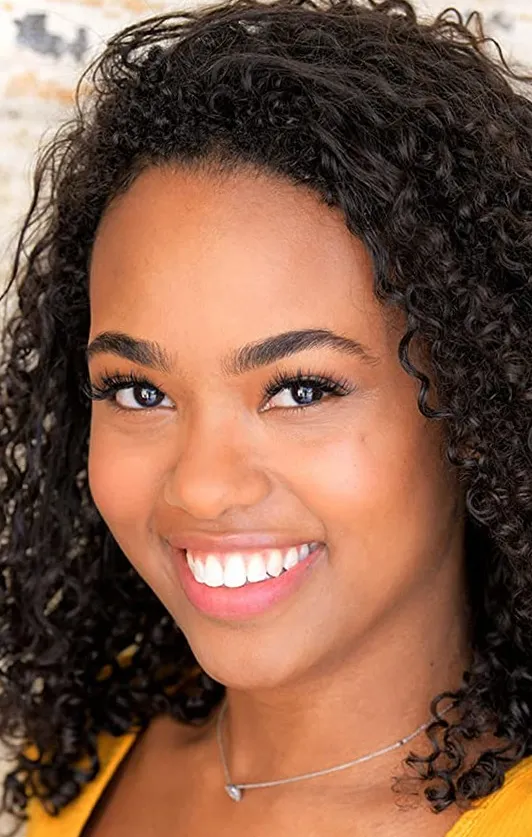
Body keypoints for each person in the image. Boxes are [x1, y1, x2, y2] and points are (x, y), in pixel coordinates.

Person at [1, 0, 531, 834]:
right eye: (139, 390)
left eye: (302, 390)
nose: (204, 487)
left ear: (480, 403)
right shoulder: (85, 756)